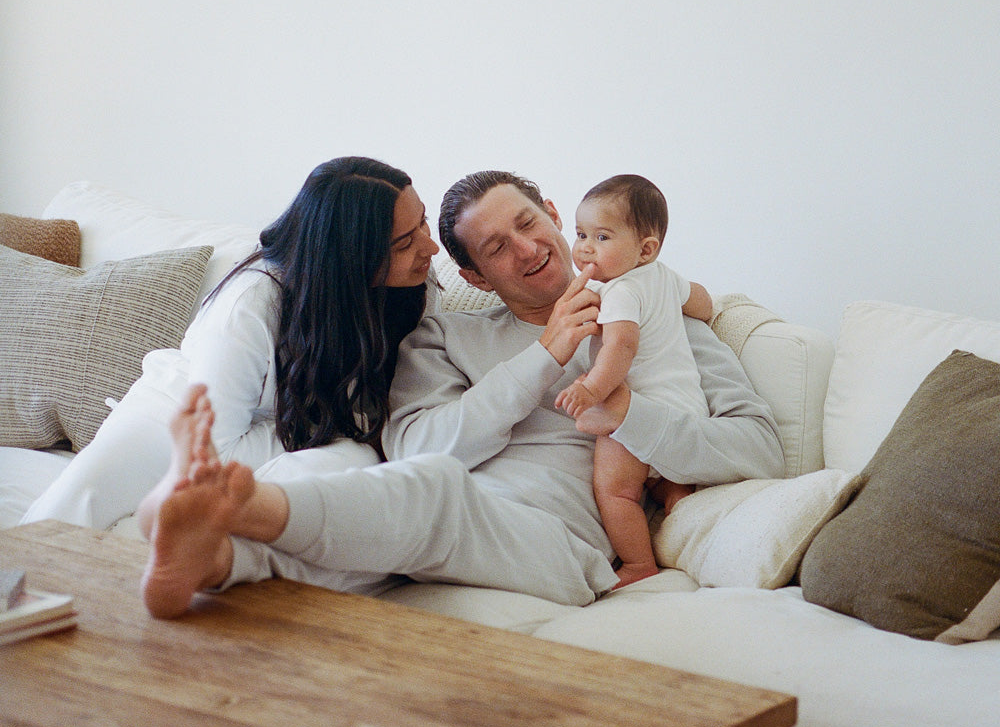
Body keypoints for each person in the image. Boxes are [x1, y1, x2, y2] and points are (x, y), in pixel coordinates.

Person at [139, 169, 785, 618]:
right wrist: (544, 358)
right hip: (442, 516)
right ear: (473, 274)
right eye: (498, 248)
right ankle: (215, 558)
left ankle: (243, 503)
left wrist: (629, 415)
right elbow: (417, 441)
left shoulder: (650, 315)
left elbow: (759, 449)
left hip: (557, 542)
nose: (530, 249)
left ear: (556, 215)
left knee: (433, 493)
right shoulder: (444, 335)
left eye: (530, 223)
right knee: (372, 541)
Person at [21, 156, 439, 531]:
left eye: (422, 221)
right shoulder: (251, 304)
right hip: (179, 421)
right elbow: (216, 451)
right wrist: (339, 425)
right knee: (62, 518)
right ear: (349, 254)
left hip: (301, 432)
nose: (430, 246)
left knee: (355, 465)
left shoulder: (413, 288)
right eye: (405, 241)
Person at [555, 173, 712, 587]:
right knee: (658, 476)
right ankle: (673, 492)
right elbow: (704, 303)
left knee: (615, 491)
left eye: (602, 237)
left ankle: (639, 563)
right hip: (687, 407)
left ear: (646, 249)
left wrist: (591, 389)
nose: (585, 247)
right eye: (581, 233)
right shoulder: (665, 276)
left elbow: (620, 348)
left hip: (640, 410)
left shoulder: (619, 293)